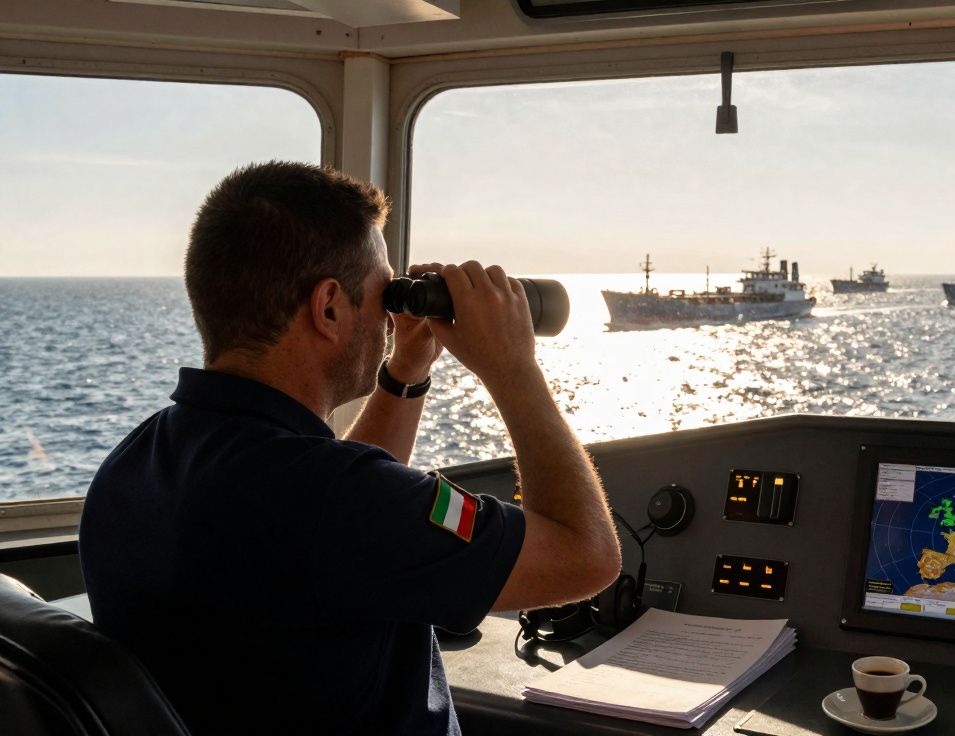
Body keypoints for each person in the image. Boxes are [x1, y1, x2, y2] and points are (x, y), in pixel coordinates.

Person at [78, 161, 622, 735]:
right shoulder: (338, 500)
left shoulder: (134, 465)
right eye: (383, 295)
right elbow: (587, 556)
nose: (389, 320)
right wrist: (513, 367)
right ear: (329, 307)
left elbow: (335, 508)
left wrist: (406, 370)